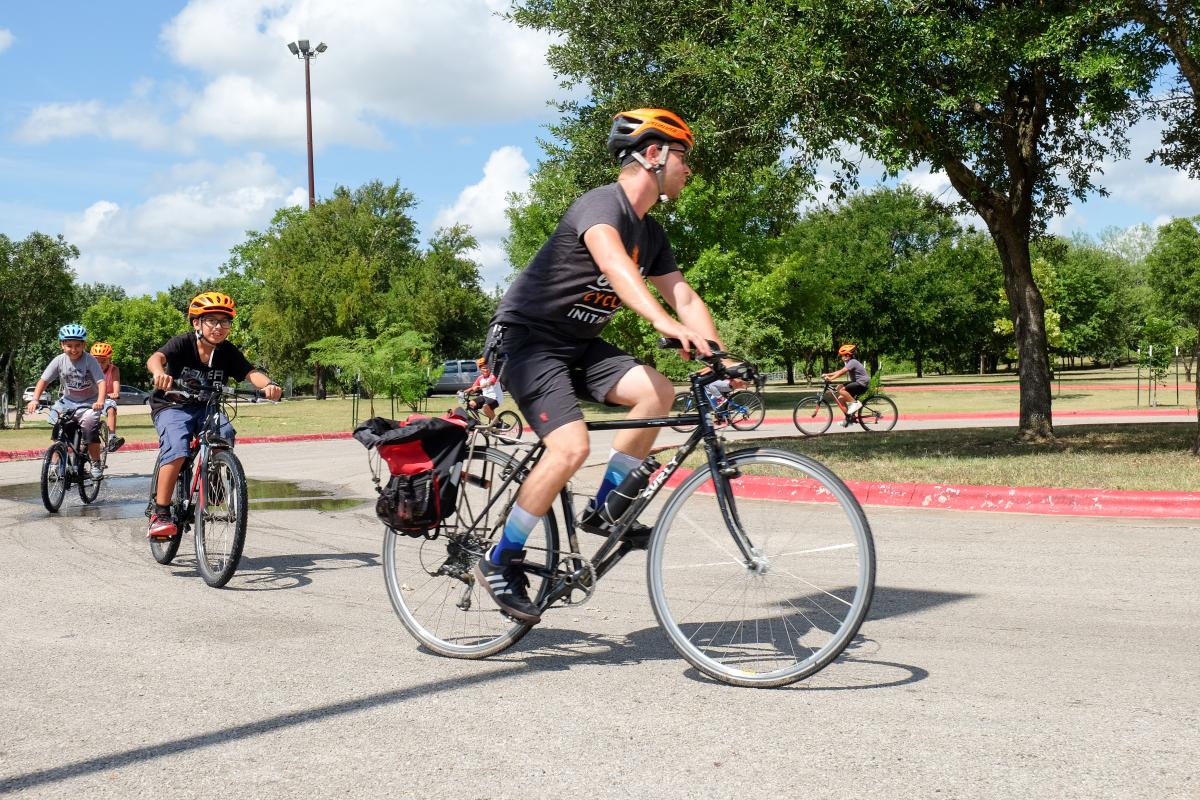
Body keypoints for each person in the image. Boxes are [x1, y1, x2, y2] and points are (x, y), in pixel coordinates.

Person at [474, 107, 729, 623]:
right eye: (683, 156)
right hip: (527, 340)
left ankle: (606, 507)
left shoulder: (651, 234)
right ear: (653, 154)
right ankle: (501, 557)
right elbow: (613, 265)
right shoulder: (601, 205)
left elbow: (684, 295)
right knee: (571, 446)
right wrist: (662, 324)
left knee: (656, 392)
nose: (689, 169)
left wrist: (718, 357)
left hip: (576, 344)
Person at [145, 292, 282, 539]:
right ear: (196, 323)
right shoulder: (183, 343)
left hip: (207, 408)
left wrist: (269, 385)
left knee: (225, 433)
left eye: (225, 321)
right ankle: (160, 513)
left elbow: (250, 373)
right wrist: (158, 373)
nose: (219, 327)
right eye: (212, 321)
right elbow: (157, 358)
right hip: (172, 407)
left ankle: (215, 477)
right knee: (177, 448)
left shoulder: (228, 352)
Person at [24, 324, 107, 480]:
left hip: (89, 403)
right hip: (67, 402)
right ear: (61, 345)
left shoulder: (90, 361)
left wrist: (100, 401)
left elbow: (101, 382)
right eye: (69, 345)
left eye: (77, 345)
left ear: (84, 345)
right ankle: (55, 466)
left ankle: (96, 463)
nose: (73, 349)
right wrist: (35, 399)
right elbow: (43, 381)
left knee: (90, 429)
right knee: (59, 431)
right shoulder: (59, 361)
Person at [822, 343, 870, 427]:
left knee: (841, 390)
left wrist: (831, 378)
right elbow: (840, 371)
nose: (841, 357)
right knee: (840, 397)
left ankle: (855, 403)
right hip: (857, 383)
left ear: (848, 355)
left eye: (842, 355)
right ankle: (849, 419)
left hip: (862, 384)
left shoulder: (853, 362)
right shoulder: (849, 363)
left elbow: (841, 373)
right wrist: (828, 374)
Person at [90, 342, 125, 452]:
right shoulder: (88, 369)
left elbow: (116, 382)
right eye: (96, 360)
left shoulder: (113, 370)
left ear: (109, 360)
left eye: (103, 360)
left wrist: (115, 392)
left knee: (111, 409)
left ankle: (112, 438)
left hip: (107, 398)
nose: (99, 363)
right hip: (91, 398)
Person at [462, 358, 503, 422]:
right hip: (485, 397)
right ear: (480, 369)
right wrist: (463, 392)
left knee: (485, 407)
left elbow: (490, 383)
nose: (486, 370)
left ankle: (499, 423)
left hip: (495, 398)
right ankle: (478, 422)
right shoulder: (480, 378)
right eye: (484, 368)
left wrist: (479, 387)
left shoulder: (493, 375)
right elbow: (473, 388)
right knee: (471, 404)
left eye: (487, 368)